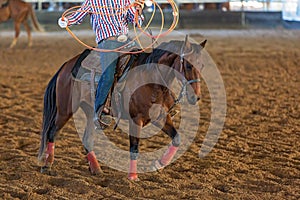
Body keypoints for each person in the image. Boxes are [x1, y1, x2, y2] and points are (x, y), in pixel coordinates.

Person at [58, 0, 144, 129]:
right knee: (108, 75)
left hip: (126, 42)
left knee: (145, 63)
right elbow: (78, 16)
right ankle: (98, 111)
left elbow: (136, 22)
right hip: (107, 43)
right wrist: (66, 21)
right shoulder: (93, 2)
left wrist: (138, 10)